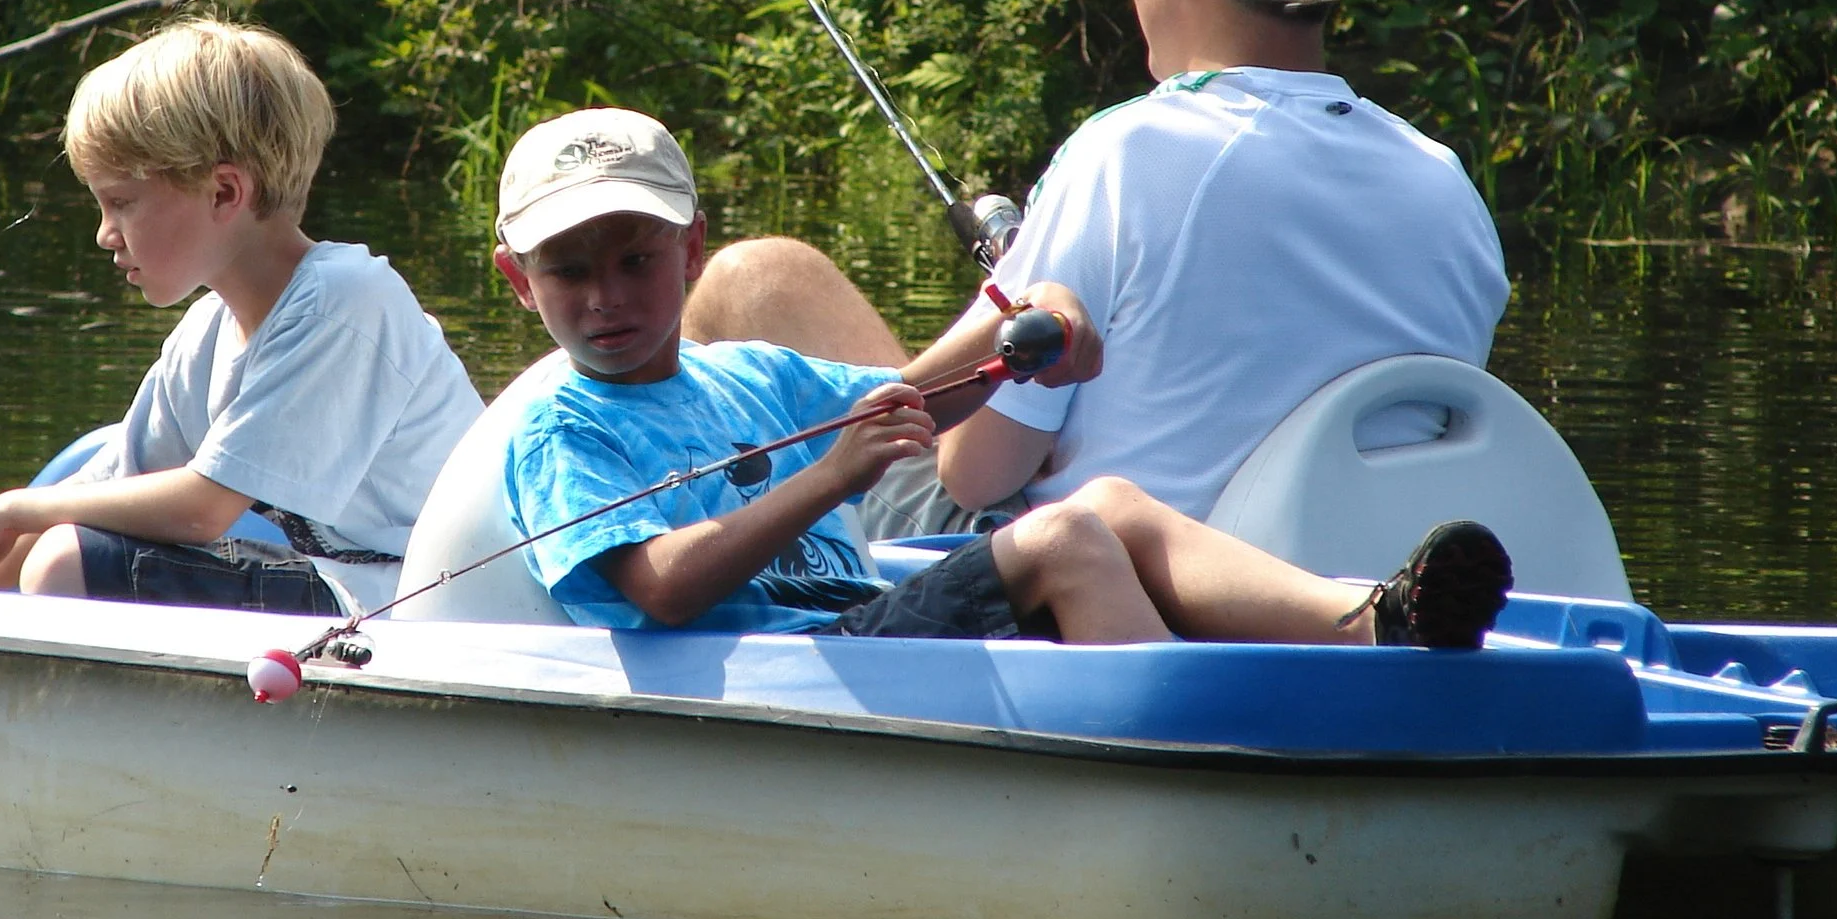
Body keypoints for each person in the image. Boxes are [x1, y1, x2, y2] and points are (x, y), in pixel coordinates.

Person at [683, 0, 1510, 536]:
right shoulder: (1445, 183)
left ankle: (654, 552)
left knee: (758, 279)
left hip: (1095, 589)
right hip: (1360, 583)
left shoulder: (1127, 154)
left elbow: (972, 475)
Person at [490, 107, 1512, 649]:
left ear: (692, 250)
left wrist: (1027, 317)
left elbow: (922, 398)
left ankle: (1378, 619)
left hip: (864, 629)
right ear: (518, 284)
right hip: (803, 655)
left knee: (1109, 502)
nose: (605, 298)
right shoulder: (559, 429)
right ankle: (1184, 744)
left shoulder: (743, 372)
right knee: (1064, 534)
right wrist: (832, 478)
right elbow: (660, 590)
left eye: (635, 261)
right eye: (569, 272)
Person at [0, 17, 483, 616]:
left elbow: (204, 508)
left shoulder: (346, 300)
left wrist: (12, 509)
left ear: (225, 192)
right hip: (345, 599)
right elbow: (117, 485)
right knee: (62, 543)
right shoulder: (206, 333)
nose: (105, 234)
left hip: (421, 613)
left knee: (67, 562)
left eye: (121, 203)